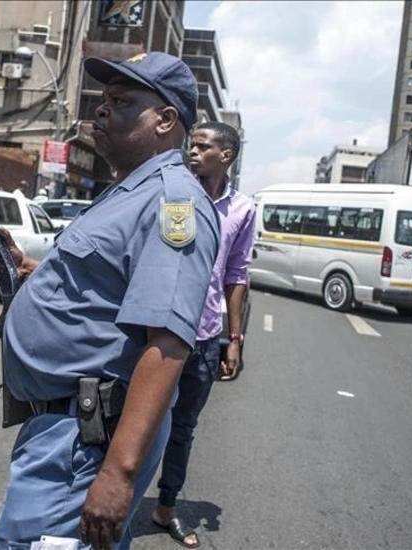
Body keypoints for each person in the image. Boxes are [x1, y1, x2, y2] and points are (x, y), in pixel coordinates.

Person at [0, 52, 221, 550]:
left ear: (165, 119)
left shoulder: (174, 201)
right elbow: (101, 288)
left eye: (122, 102)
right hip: (64, 430)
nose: (102, 111)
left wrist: (118, 474)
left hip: (87, 441)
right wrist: (24, 271)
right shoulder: (127, 192)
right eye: (103, 100)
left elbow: (168, 345)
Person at [151, 121, 255, 548]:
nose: (192, 152)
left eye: (202, 146)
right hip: (159, 328)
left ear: (225, 155)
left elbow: (237, 275)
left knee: (183, 426)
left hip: (207, 334)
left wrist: (234, 339)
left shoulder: (243, 209)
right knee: (127, 415)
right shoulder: (172, 193)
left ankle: (165, 506)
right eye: (190, 145)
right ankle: (111, 493)